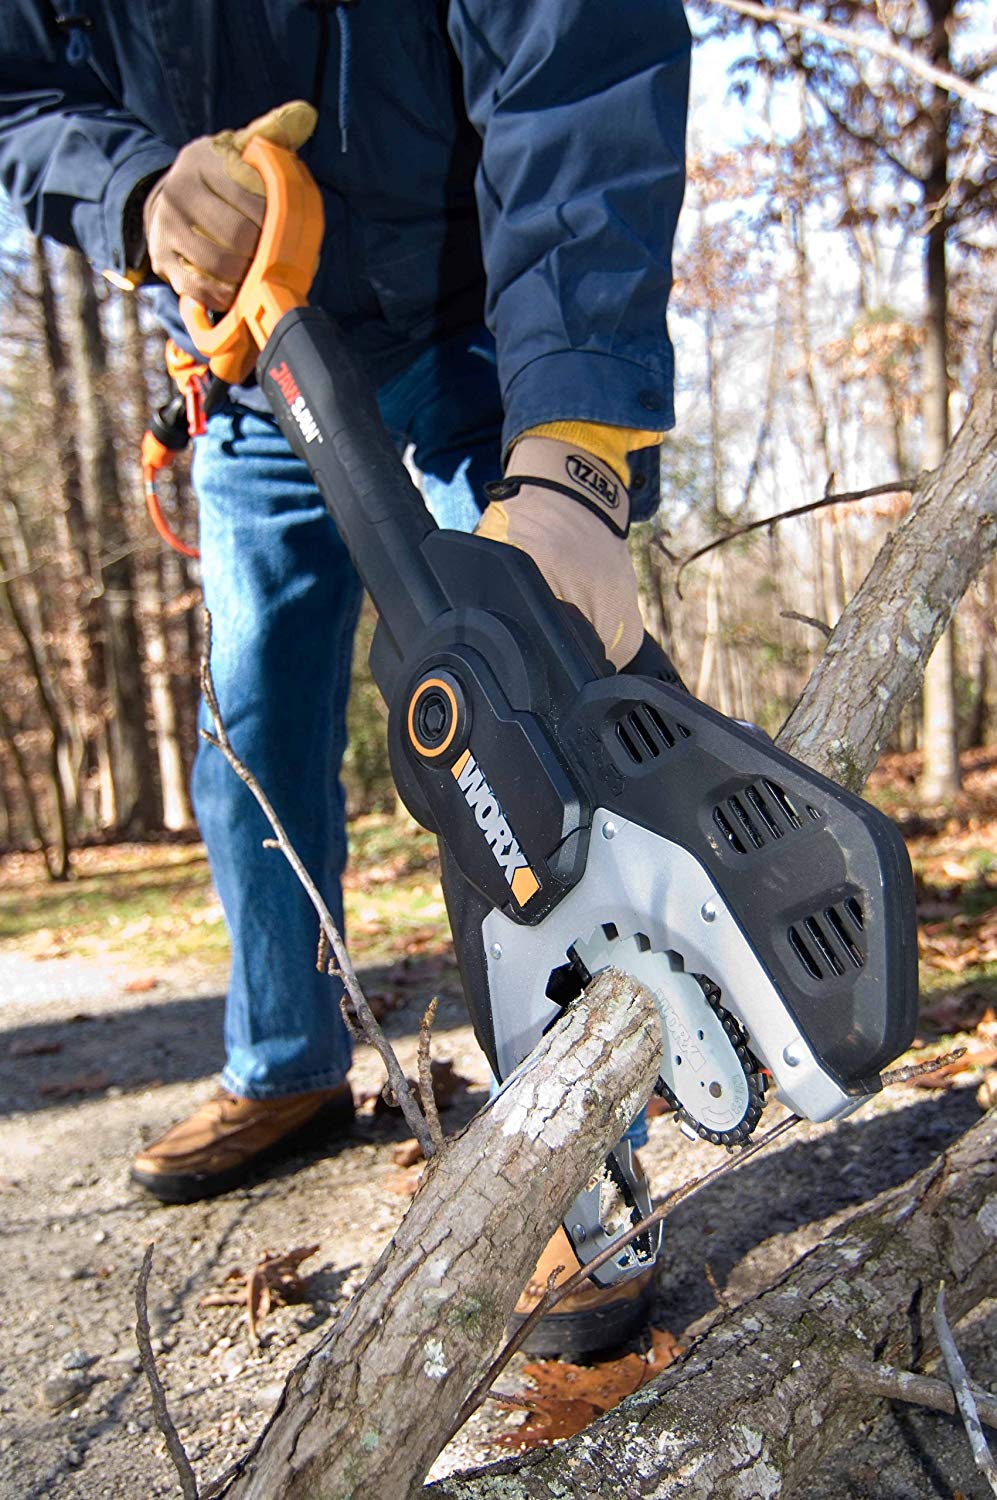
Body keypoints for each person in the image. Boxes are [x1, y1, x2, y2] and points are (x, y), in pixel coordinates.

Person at [0, 1, 690, 1354]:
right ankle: (287, 1065)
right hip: (252, 358)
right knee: (249, 719)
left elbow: (577, 51)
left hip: (487, 321)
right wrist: (135, 191)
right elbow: (15, 89)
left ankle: (573, 1150)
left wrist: (575, 449)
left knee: (518, 695)